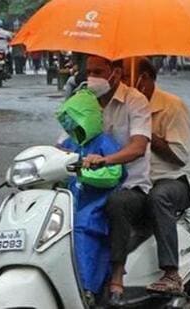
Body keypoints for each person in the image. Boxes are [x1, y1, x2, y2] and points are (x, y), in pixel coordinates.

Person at [81, 55, 152, 303]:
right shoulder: (82, 101)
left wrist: (105, 160)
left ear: (116, 73)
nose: (92, 78)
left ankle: (117, 275)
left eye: (98, 71)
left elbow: (138, 147)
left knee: (117, 203)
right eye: (89, 71)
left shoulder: (136, 101)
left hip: (131, 186)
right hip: (90, 184)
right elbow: (64, 142)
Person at [130, 58, 190, 294]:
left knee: (159, 198)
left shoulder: (172, 107)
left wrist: (144, 131)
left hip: (175, 179)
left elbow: (179, 156)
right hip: (136, 179)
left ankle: (171, 273)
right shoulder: (121, 106)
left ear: (145, 79)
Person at [57, 89, 125, 305]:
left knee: (81, 228)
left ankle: (86, 287)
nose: (72, 126)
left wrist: (84, 171)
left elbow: (114, 174)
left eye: (76, 120)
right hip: (70, 201)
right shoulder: (70, 143)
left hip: (96, 205)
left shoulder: (105, 143)